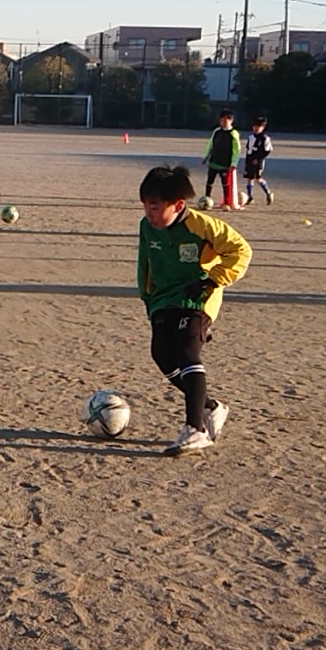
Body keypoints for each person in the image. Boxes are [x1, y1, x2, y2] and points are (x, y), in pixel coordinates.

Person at [136, 164, 252, 455]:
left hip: (197, 299)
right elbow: (144, 265)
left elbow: (240, 250)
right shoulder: (146, 227)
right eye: (145, 206)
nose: (149, 214)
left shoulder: (202, 226)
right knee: (162, 355)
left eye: (155, 207)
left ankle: (195, 429)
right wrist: (148, 299)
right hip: (163, 299)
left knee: (187, 353)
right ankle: (212, 407)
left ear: (177, 205)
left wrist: (212, 280)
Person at [203, 109, 242, 207]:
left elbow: (236, 150)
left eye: (226, 120)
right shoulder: (217, 131)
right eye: (221, 120)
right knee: (209, 181)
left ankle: (226, 203)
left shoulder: (233, 133)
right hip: (213, 161)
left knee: (225, 183)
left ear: (231, 121)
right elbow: (210, 144)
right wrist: (206, 156)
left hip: (225, 163)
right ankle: (206, 199)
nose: (223, 123)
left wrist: (234, 163)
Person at [242, 116, 274, 205]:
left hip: (258, 161)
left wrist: (258, 159)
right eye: (255, 126)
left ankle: (268, 193)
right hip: (250, 160)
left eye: (258, 127)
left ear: (262, 128)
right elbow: (248, 149)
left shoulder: (265, 138)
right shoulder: (250, 137)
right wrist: (247, 161)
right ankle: (250, 197)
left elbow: (267, 151)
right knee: (249, 178)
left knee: (258, 178)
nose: (256, 128)